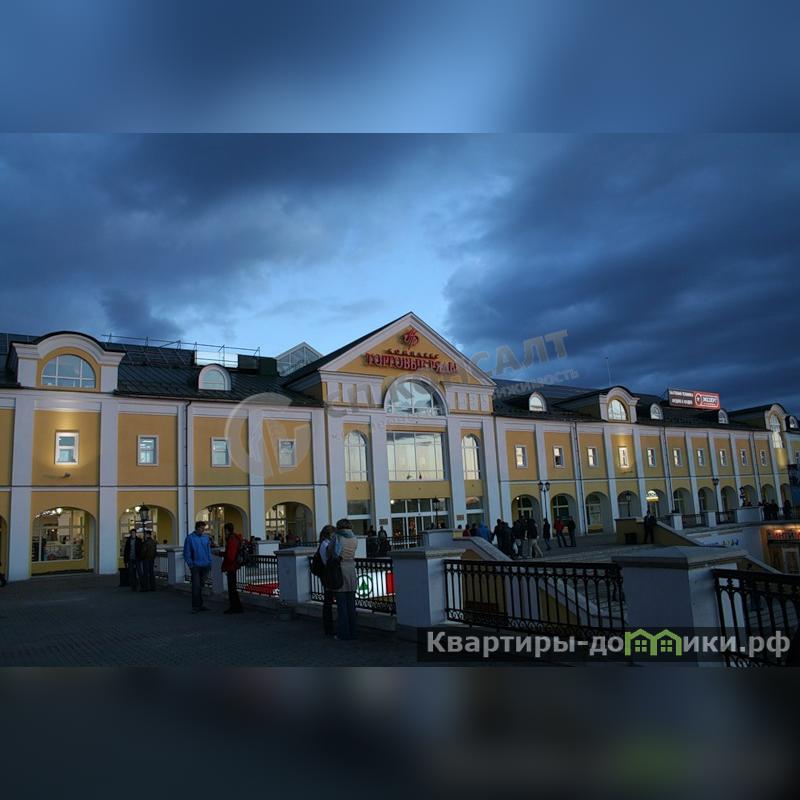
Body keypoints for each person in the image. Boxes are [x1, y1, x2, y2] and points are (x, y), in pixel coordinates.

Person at [332, 519, 359, 641]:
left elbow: (332, 552)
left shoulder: (337, 537)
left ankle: (343, 633)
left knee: (342, 606)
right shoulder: (354, 538)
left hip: (340, 571)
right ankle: (353, 632)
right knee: (351, 605)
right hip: (351, 570)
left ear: (339, 527)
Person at [184, 521, 213, 613]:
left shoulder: (205, 538)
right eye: (201, 528)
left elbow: (208, 551)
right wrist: (191, 564)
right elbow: (187, 552)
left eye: (204, 528)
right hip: (195, 566)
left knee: (201, 586)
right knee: (196, 586)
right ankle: (196, 606)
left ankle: (200, 604)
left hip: (205, 565)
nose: (203, 530)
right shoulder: (190, 538)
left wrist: (210, 562)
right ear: (197, 528)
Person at [317, 525, 336, 635]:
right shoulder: (325, 545)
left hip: (326, 575)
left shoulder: (323, 544)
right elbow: (327, 561)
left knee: (328, 601)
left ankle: (328, 625)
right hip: (328, 575)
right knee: (328, 601)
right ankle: (328, 626)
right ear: (329, 534)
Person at [221, 522, 244, 614]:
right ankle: (237, 606)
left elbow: (230, 555)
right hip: (234, 565)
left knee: (232, 588)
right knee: (233, 587)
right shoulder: (235, 538)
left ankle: (234, 607)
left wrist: (221, 554)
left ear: (226, 530)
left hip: (231, 565)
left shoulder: (232, 539)